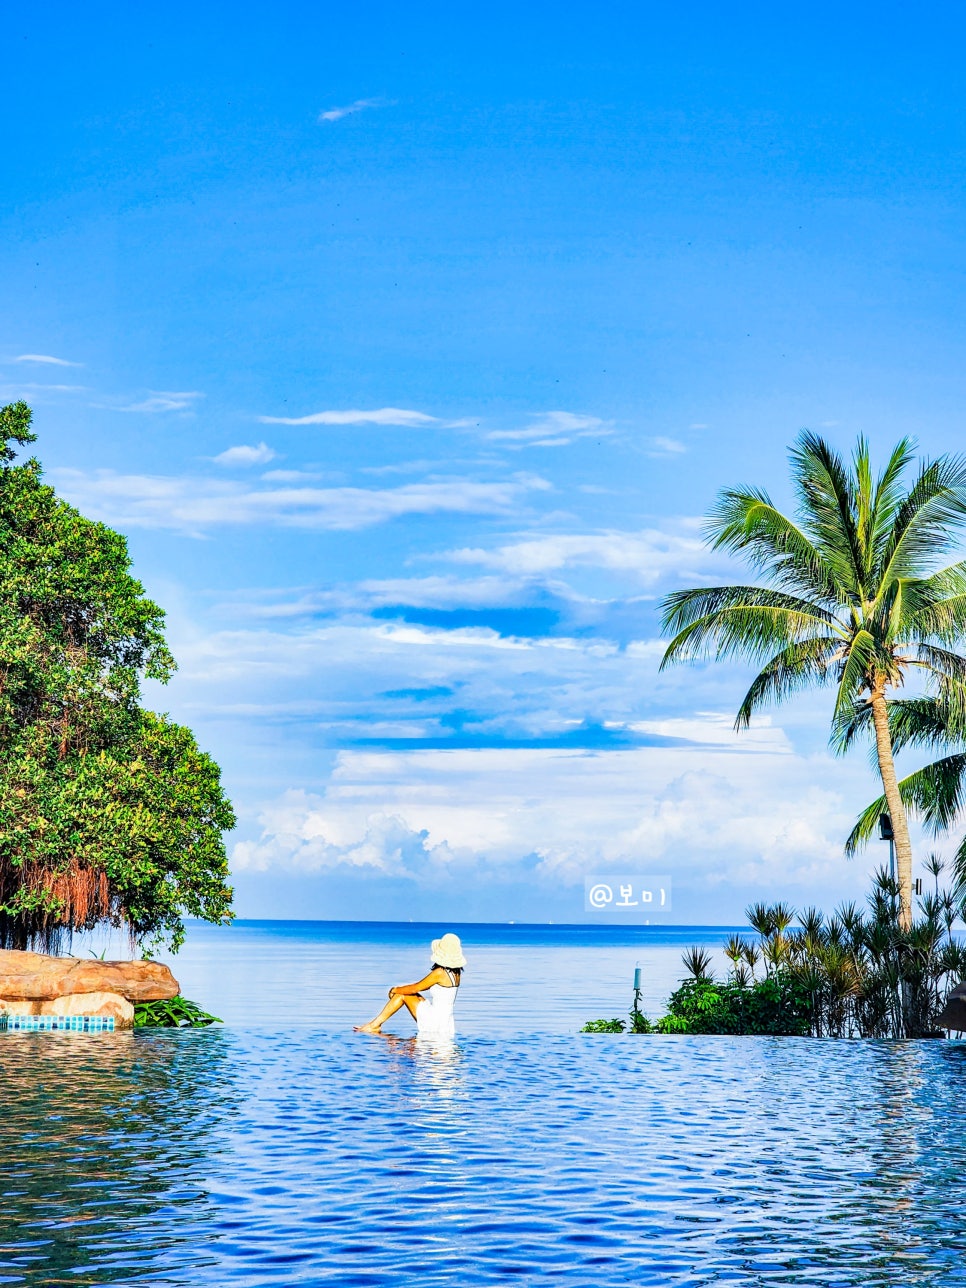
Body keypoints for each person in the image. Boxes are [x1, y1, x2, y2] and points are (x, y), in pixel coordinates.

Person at [354, 933, 466, 1037]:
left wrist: (395, 989)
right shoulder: (456, 973)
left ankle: (374, 1026)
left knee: (402, 993)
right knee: (405, 992)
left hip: (434, 1021)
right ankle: (374, 1025)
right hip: (446, 1023)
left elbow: (415, 988)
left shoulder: (440, 973)